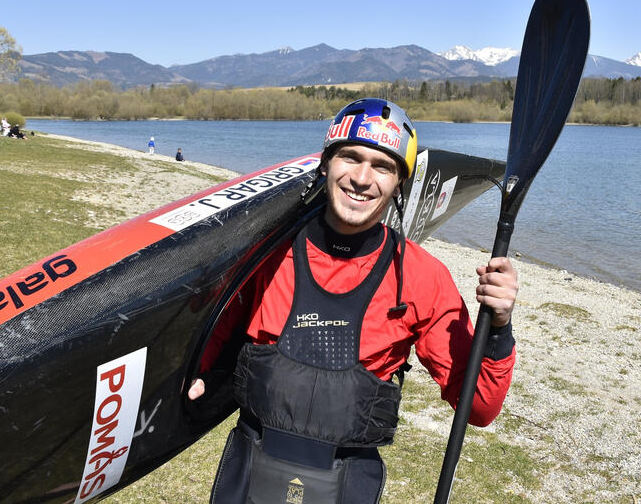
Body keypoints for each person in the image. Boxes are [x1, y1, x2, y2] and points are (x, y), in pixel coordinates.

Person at [187, 98, 518, 503]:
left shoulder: (419, 277)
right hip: (249, 477)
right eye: (350, 157)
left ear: (399, 183)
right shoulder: (266, 254)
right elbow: (210, 341)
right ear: (326, 163)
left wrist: (499, 328)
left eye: (383, 166)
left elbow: (480, 407)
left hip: (346, 485)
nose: (362, 178)